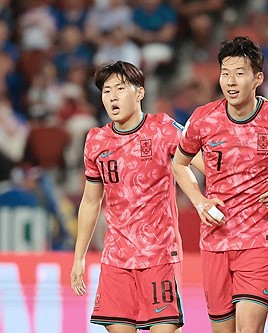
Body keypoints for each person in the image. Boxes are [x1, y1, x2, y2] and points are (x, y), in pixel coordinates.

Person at [172, 36, 268, 333]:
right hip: (215, 240)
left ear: (257, 78)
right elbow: (179, 162)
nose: (231, 81)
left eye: (240, 73)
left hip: (260, 241)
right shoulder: (203, 119)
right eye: (225, 73)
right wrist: (199, 201)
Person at [70, 61, 201, 333]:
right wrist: (78, 257)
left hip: (160, 255)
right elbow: (91, 201)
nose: (113, 96)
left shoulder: (162, 128)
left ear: (139, 93)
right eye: (107, 91)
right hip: (117, 258)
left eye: (120, 88)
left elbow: (203, 164)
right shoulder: (96, 140)